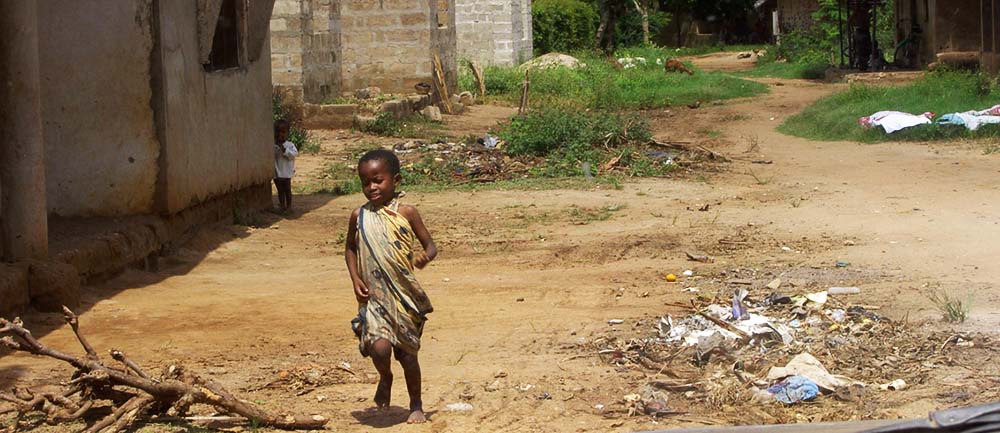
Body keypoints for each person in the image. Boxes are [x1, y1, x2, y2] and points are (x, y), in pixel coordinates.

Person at [345, 149, 437, 424]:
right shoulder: (358, 215)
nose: (371, 187)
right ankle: (385, 376)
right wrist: (355, 278)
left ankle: (416, 404)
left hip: (403, 297)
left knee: (408, 356)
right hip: (374, 297)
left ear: (395, 180)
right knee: (380, 349)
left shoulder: (407, 212)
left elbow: (430, 245)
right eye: (365, 182)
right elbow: (349, 248)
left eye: (378, 180)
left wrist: (425, 257)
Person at [273, 119, 298, 213]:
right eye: (277, 132)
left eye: (283, 132)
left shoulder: (290, 145)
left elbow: (294, 154)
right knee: (280, 191)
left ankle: (289, 206)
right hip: (277, 173)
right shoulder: (273, 146)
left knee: (287, 190)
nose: (280, 134)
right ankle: (282, 206)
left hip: (286, 174)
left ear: (287, 133)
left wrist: (285, 151)